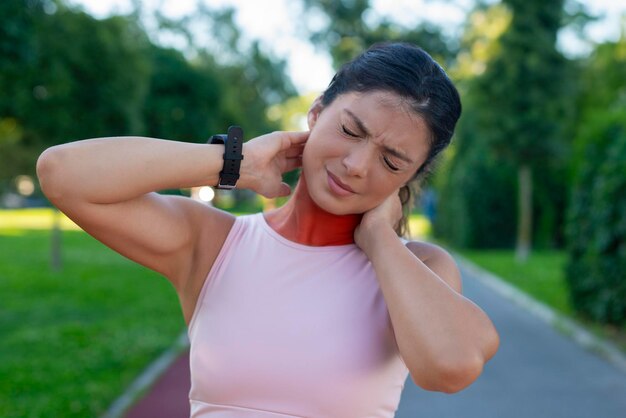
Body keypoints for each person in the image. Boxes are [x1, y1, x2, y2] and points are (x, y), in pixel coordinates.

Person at [37, 42, 499, 417]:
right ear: (316, 114)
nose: (356, 165)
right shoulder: (214, 242)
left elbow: (449, 367)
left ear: (410, 177)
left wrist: (379, 239)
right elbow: (62, 173)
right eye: (350, 130)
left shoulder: (418, 269)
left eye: (391, 161)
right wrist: (232, 161)